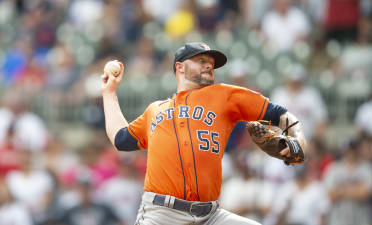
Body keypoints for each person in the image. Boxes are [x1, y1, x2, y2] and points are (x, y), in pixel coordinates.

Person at [101, 42, 307, 225]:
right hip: (162, 214)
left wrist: (299, 140)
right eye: (201, 60)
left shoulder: (225, 95)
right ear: (179, 67)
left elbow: (281, 114)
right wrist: (109, 92)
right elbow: (120, 138)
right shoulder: (156, 110)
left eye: (211, 62)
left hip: (210, 216)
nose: (209, 65)